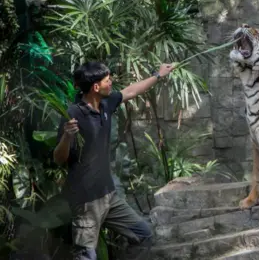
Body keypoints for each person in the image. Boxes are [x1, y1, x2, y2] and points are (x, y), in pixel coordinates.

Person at [53, 62, 174, 260]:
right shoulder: (73, 114)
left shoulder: (106, 103)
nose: (112, 83)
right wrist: (67, 136)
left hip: (109, 196)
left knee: (144, 234)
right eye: (108, 80)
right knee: (86, 255)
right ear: (96, 87)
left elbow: (131, 91)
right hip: (86, 200)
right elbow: (59, 159)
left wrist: (158, 75)